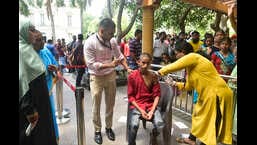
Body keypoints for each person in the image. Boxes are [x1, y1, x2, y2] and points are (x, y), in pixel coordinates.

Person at [157, 41, 233, 145]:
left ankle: (206, 143)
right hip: (207, 96)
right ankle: (192, 139)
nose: (176, 56)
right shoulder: (190, 68)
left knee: (212, 123)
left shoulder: (193, 56)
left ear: (183, 52)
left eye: (176, 53)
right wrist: (174, 83)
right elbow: (189, 86)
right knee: (198, 116)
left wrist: (160, 72)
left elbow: (176, 65)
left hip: (217, 93)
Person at [84, 18, 132, 144]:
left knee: (110, 103)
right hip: (96, 77)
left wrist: (127, 68)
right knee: (96, 105)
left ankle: (109, 127)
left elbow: (120, 56)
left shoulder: (112, 41)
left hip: (110, 76)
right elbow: (91, 64)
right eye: (111, 33)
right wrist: (110, 65)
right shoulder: (90, 43)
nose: (113, 36)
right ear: (102, 31)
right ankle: (97, 130)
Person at [19, 17, 57, 145]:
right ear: (22, 31)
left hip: (41, 101)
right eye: (32, 30)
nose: (35, 33)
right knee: (38, 137)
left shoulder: (28, 49)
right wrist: (29, 109)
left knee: (45, 132)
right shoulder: (21, 51)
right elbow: (21, 80)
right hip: (33, 105)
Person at [127, 53, 165, 145]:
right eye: (143, 63)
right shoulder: (132, 76)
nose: (145, 66)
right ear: (138, 62)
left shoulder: (153, 76)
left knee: (160, 125)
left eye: (148, 63)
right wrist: (141, 110)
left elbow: (157, 95)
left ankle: (154, 134)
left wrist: (152, 111)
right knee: (134, 125)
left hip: (150, 105)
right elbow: (130, 96)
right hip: (137, 105)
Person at [37, 40, 60, 142]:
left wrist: (55, 69)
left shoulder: (45, 51)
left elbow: (56, 66)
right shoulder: (26, 54)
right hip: (35, 96)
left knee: (50, 117)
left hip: (48, 92)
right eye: (39, 40)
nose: (43, 42)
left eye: (42, 39)